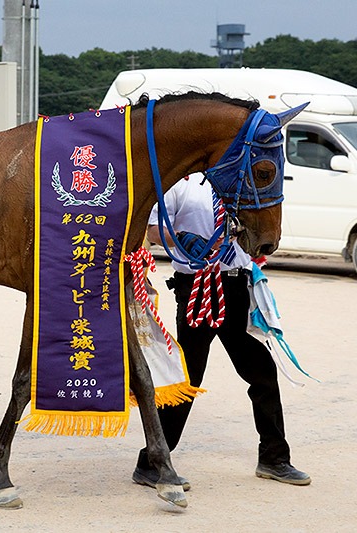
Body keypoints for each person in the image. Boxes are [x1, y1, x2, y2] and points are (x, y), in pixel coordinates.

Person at [133, 174, 310, 489]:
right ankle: (151, 462)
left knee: (263, 374)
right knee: (188, 380)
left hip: (237, 285)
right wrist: (183, 237)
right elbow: (152, 232)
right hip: (198, 287)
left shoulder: (237, 182)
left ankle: (274, 458)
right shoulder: (178, 182)